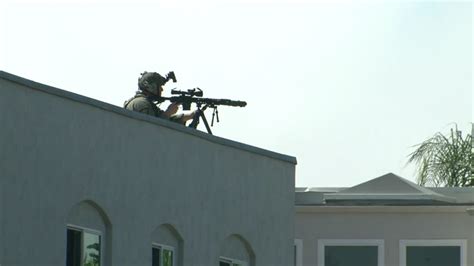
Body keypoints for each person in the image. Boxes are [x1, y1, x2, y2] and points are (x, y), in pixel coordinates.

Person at [124, 71, 195, 124]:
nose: (162, 89)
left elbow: (166, 120)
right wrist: (168, 113)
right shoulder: (141, 103)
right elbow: (153, 127)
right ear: (152, 87)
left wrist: (190, 116)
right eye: (160, 86)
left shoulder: (145, 103)